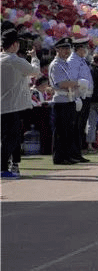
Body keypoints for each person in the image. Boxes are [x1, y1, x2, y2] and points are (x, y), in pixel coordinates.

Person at [1, 27, 41, 178]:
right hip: (11, 107)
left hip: (4, 106)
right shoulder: (14, 60)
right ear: (13, 45)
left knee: (5, 139)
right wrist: (35, 57)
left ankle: (7, 166)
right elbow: (35, 71)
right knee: (10, 139)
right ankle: (3, 168)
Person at [48, 37, 82, 165]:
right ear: (57, 49)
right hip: (61, 99)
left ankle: (67, 155)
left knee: (68, 130)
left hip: (69, 99)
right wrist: (77, 83)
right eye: (63, 48)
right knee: (61, 131)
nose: (66, 51)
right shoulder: (56, 64)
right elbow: (61, 83)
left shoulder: (65, 63)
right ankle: (59, 157)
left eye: (68, 48)